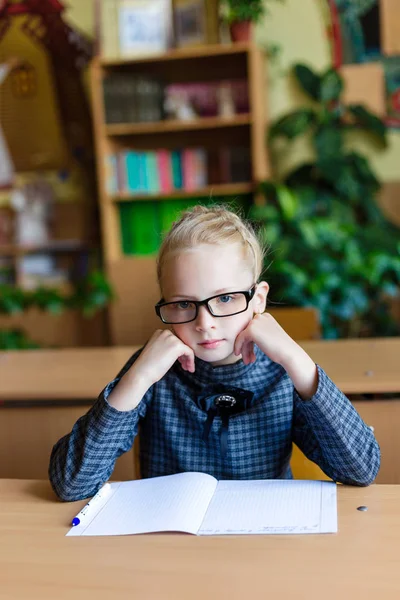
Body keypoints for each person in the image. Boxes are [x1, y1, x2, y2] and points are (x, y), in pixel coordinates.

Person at [49, 205, 380, 501]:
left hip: (263, 545)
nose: (204, 324)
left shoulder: (283, 373)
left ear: (258, 298)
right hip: (173, 546)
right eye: (183, 304)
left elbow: (361, 469)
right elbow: (72, 484)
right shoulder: (152, 371)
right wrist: (138, 377)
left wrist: (296, 359)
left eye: (225, 298)